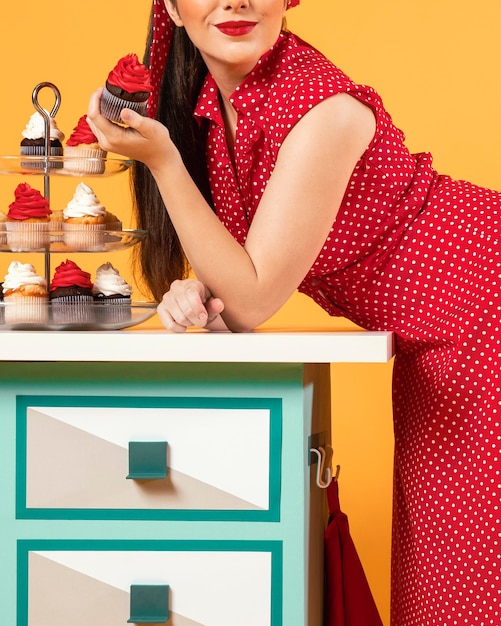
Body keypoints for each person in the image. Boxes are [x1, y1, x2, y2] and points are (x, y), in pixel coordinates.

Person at [86, 0, 501, 624]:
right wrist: (201, 301)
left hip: (481, 313)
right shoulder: (212, 111)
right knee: (437, 588)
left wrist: (163, 162)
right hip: (439, 339)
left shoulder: (325, 110)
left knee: (463, 591)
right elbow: (245, 297)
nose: (235, 1)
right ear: (170, 6)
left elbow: (255, 293)